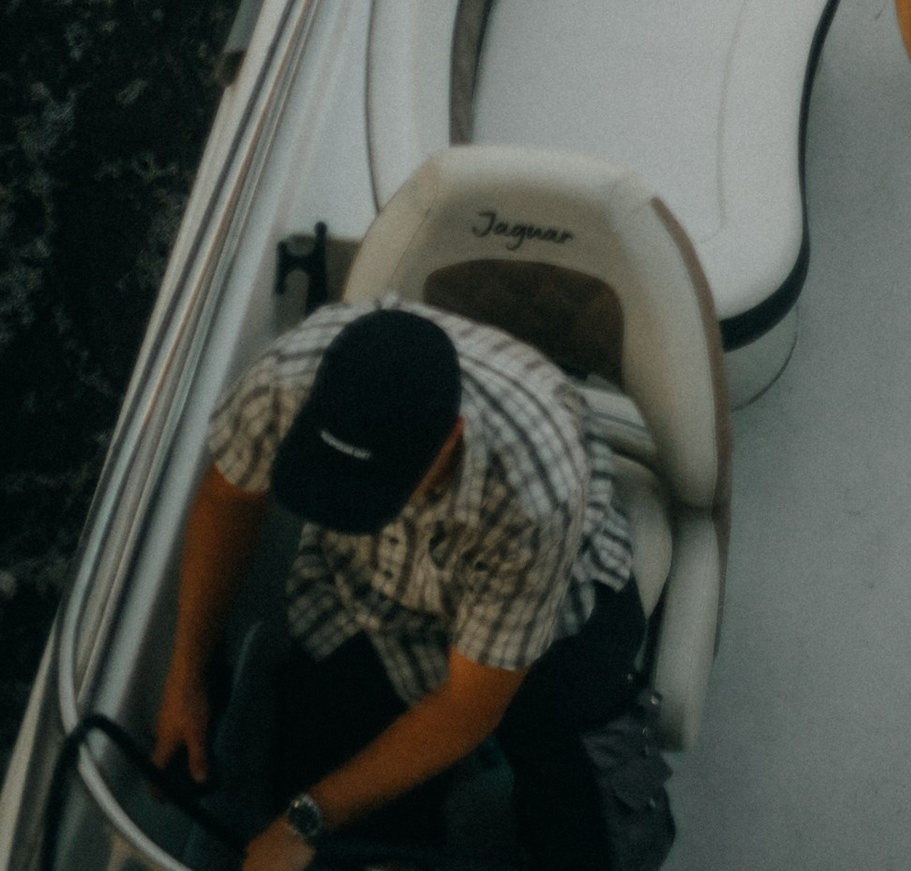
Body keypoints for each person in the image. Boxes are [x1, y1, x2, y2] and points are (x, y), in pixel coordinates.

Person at [155, 297, 645, 871]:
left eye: (371, 487)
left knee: (593, 849)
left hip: (550, 609)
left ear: (450, 439)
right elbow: (229, 500)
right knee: (337, 838)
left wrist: (304, 819)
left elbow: (468, 706)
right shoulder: (285, 379)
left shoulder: (535, 494)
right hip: (366, 597)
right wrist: (186, 676)